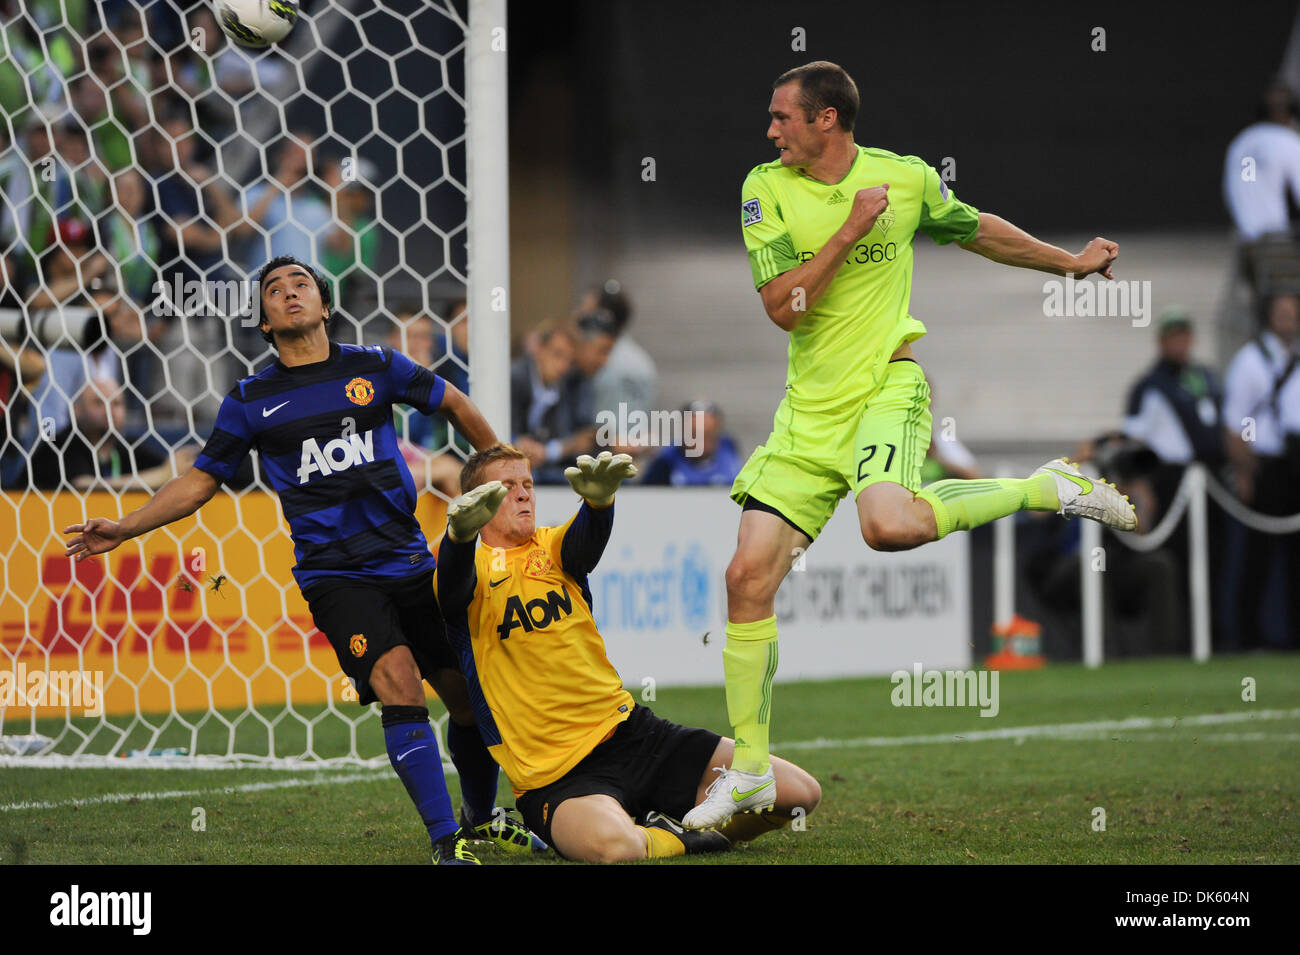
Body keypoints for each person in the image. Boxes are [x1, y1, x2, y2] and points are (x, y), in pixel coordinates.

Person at [693, 60, 1139, 829]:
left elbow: (975, 229)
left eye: (782, 117)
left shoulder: (904, 179)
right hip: (808, 416)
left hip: (885, 389)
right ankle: (752, 773)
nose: (770, 131)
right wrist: (851, 228)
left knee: (889, 525)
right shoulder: (762, 188)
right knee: (745, 578)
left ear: (826, 119)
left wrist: (1069, 263)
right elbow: (784, 308)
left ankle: (1044, 486)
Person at [63, 255, 547, 864]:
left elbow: (453, 402)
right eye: (273, 290)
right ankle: (444, 843)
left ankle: (480, 819)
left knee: (468, 699)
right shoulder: (251, 399)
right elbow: (200, 482)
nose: (289, 294)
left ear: (323, 303)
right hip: (336, 575)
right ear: (263, 320)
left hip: (410, 565)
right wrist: (126, 526)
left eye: (301, 285)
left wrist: (498, 477)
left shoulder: (375, 367)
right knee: (399, 682)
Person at [433, 445, 821, 862]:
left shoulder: (549, 546)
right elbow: (451, 593)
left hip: (634, 736)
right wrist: (459, 538)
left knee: (799, 794)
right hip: (556, 777)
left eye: (527, 483)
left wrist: (599, 504)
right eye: (507, 487)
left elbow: (583, 545)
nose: (524, 493)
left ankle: (680, 831)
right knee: (615, 848)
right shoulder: (464, 568)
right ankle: (678, 837)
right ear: (477, 500)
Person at [1122, 308, 1224, 513]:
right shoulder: (1148, 386)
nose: (1179, 344)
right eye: (1173, 338)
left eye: (1183, 337)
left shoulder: (1204, 376)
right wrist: (1139, 483)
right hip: (1169, 477)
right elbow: (1133, 439)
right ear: (1161, 342)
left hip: (1211, 474)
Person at [27, 375, 195, 492]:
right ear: (77, 410)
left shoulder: (127, 448)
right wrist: (164, 474)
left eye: (116, 403)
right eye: (99, 403)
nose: (110, 410)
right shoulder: (60, 446)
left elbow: (164, 465)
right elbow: (84, 487)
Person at [509, 320, 595, 483]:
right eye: (557, 354)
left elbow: (560, 437)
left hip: (541, 467)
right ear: (538, 349)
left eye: (569, 361)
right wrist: (516, 442)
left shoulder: (561, 388)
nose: (562, 366)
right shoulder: (514, 379)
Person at [640, 400, 743, 486]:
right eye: (695, 435)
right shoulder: (666, 462)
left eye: (708, 434)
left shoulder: (729, 452)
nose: (702, 442)